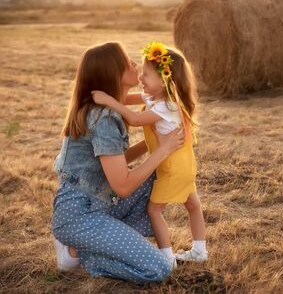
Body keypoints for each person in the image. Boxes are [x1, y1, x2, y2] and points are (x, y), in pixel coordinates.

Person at [51, 42, 184, 284]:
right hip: (80, 213)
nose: (135, 65)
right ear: (112, 73)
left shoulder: (106, 106)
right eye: (128, 63)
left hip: (101, 203)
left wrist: (151, 144)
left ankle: (93, 242)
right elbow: (123, 186)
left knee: (160, 179)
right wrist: (162, 150)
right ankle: (82, 254)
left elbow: (117, 164)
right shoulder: (103, 118)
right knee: (158, 270)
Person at [92, 41, 207, 268]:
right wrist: (108, 94)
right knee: (193, 205)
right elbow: (125, 100)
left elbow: (134, 119)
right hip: (185, 165)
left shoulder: (166, 107)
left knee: (154, 210)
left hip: (173, 169)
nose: (141, 78)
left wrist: (107, 101)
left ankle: (166, 259)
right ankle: (200, 250)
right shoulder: (157, 98)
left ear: (164, 81)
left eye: (146, 74)